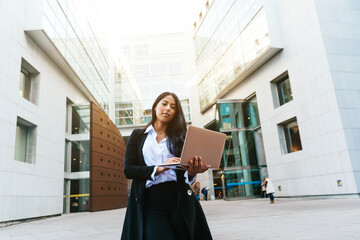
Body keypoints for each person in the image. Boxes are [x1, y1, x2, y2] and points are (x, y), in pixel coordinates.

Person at [121, 92, 212, 240]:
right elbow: (129, 170)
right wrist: (159, 168)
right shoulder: (138, 135)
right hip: (151, 202)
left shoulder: (181, 137)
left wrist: (192, 172)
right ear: (155, 106)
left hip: (179, 199)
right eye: (164, 103)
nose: (168, 108)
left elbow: (184, 174)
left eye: (173, 106)